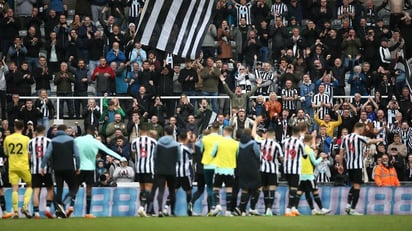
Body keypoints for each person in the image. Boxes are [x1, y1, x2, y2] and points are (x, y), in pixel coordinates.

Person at [74, 126, 122, 218]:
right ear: (94, 132)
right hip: (90, 169)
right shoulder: (95, 142)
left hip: (79, 168)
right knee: (89, 190)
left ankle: (70, 207)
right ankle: (88, 213)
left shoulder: (78, 139)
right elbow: (108, 151)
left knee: (75, 188)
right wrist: (121, 158)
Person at [339, 122, 383, 215]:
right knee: (357, 186)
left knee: (354, 185)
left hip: (349, 165)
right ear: (359, 128)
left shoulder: (345, 138)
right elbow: (370, 141)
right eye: (362, 129)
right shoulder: (359, 137)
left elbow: (341, 152)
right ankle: (353, 209)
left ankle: (348, 204)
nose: (363, 131)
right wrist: (380, 139)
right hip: (357, 165)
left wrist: (340, 164)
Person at [41, 124, 80, 219]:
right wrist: (78, 166)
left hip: (57, 168)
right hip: (69, 168)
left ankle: (59, 212)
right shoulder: (71, 140)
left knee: (59, 189)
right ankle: (63, 204)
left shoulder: (53, 141)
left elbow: (47, 155)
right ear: (66, 130)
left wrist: (42, 166)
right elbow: (77, 155)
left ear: (57, 131)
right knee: (74, 188)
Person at [2, 120, 32, 219]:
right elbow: (29, 154)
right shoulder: (26, 139)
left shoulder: (7, 138)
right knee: (30, 185)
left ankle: (15, 211)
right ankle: (25, 206)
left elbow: (6, 152)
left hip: (12, 166)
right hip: (23, 166)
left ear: (14, 127)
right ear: (23, 128)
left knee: (14, 188)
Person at [296, 134, 331, 215]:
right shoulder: (310, 150)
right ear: (310, 141)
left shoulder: (301, 149)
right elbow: (315, 163)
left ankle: (295, 208)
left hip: (302, 175)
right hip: (309, 175)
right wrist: (321, 158)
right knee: (315, 191)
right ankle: (321, 209)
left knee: (302, 192)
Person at [209, 126, 238, 216]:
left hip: (219, 169)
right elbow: (237, 155)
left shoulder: (218, 142)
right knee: (229, 189)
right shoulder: (236, 143)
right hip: (230, 169)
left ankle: (217, 205)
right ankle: (228, 211)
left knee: (216, 188)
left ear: (224, 132)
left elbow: (212, 154)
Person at [130, 124, 157, 217]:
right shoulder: (154, 142)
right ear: (148, 131)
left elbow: (133, 155)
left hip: (139, 168)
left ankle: (147, 209)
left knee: (142, 189)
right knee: (149, 190)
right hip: (149, 168)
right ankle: (146, 210)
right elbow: (156, 155)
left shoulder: (134, 142)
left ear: (140, 131)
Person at [234, 128, 261, 216]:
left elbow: (237, 156)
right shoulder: (253, 143)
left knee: (245, 189)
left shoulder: (239, 144)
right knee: (257, 187)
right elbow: (258, 155)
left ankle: (241, 209)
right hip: (252, 168)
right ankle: (252, 208)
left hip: (242, 169)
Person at [29, 125, 54, 219]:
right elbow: (51, 156)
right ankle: (47, 209)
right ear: (44, 131)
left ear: (36, 131)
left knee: (36, 190)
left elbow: (29, 157)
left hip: (35, 169)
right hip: (46, 169)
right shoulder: (49, 141)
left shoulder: (31, 142)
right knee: (50, 189)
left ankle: (36, 213)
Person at [154, 126, 180, 217]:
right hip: (171, 170)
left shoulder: (159, 143)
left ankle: (160, 211)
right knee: (172, 191)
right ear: (172, 132)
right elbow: (178, 158)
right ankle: (172, 211)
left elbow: (155, 156)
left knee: (161, 190)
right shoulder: (176, 144)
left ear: (165, 132)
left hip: (160, 170)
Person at [282, 125, 305, 216]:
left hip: (286, 168)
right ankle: (288, 209)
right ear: (299, 132)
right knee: (294, 189)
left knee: (291, 188)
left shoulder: (285, 141)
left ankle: (293, 208)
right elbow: (304, 155)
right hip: (295, 169)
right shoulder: (299, 143)